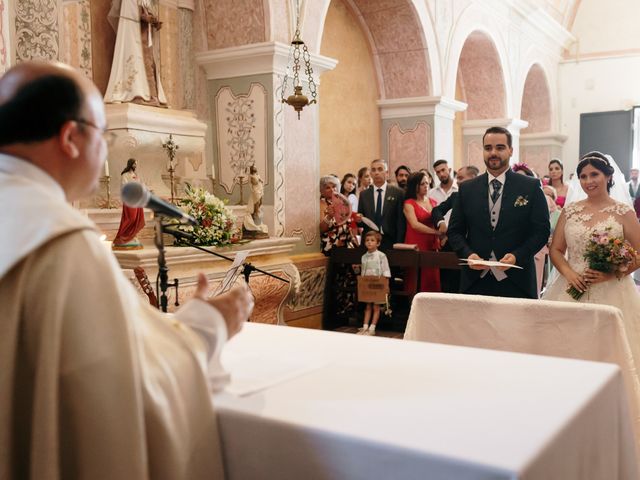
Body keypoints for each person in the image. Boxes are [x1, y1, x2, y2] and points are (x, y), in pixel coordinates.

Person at [0, 60, 253, 478]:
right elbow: (125, 388)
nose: (106, 149)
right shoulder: (60, 245)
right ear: (69, 137)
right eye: (103, 134)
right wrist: (210, 323)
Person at [542, 153, 640, 341]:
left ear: (609, 176)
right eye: (583, 176)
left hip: (612, 289)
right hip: (572, 284)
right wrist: (569, 274)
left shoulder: (624, 212)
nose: (588, 181)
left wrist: (612, 273)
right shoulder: (570, 211)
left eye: (594, 174)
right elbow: (556, 250)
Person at [448, 126, 550, 299]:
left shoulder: (530, 186)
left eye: (500, 147)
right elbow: (455, 231)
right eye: (488, 148)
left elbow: (541, 231)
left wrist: (517, 256)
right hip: (475, 281)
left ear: (511, 150)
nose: (493, 152)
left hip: (518, 281)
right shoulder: (466, 189)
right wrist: (468, 254)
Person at [105, 0, 167, 106]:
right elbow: (130, 11)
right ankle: (137, 93)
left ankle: (152, 95)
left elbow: (145, 9)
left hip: (144, 32)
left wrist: (153, 20)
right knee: (135, 58)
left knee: (148, 62)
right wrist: (141, 16)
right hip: (132, 31)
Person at [403, 171, 441, 293]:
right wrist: (436, 232)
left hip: (431, 243)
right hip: (416, 242)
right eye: (422, 184)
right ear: (415, 186)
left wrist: (442, 232)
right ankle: (413, 306)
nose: (426, 186)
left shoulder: (433, 202)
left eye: (427, 183)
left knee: (432, 275)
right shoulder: (409, 203)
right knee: (415, 277)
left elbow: (438, 221)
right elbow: (415, 225)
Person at [358, 159, 406, 251]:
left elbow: (401, 222)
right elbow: (361, 221)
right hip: (369, 243)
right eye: (373, 170)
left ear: (387, 173)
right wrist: (358, 219)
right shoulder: (364, 195)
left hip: (391, 242)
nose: (376, 173)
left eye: (380, 169)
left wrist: (399, 244)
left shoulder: (398, 193)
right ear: (371, 174)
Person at [357, 231, 391, 336]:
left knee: (376, 307)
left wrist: (386, 285)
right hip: (367, 285)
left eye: (372, 240)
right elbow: (363, 271)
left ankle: (372, 328)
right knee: (367, 306)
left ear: (378, 243)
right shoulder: (364, 257)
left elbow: (386, 270)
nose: (369, 243)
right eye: (367, 240)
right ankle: (365, 327)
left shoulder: (381, 256)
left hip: (378, 285)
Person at [113, 158, 145, 249]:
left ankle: (131, 236)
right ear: (130, 164)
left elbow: (139, 184)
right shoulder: (125, 175)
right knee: (130, 218)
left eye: (136, 164)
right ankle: (122, 237)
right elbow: (124, 185)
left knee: (136, 219)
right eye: (134, 164)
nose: (135, 166)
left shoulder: (135, 175)